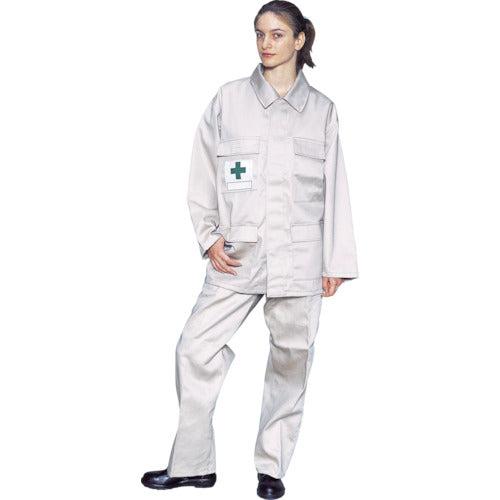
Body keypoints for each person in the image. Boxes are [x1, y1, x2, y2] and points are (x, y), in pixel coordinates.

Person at [141, 1, 359, 498]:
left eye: (277, 34)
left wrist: (336, 261)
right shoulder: (229, 99)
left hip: (300, 258)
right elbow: (202, 172)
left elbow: (336, 187)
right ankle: (192, 464)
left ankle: (271, 468)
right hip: (238, 255)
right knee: (194, 348)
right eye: (259, 33)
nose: (265, 43)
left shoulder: (322, 110)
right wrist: (209, 235)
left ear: (299, 40)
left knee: (291, 361)